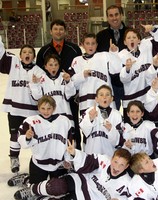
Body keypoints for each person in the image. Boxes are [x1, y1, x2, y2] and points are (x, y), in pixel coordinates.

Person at [18, 145, 132, 200]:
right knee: (56, 186)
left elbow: (132, 196)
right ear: (111, 159)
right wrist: (75, 153)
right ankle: (31, 189)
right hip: (82, 181)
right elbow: (87, 160)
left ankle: (35, 199)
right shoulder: (104, 160)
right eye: (115, 162)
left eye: (122, 165)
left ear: (127, 166)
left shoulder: (127, 181)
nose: (117, 167)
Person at [14, 95, 74, 200]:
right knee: (37, 192)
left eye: (49, 108)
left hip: (58, 164)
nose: (46, 111)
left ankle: (28, 179)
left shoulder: (64, 121)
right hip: (39, 164)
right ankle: (26, 180)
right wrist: (27, 137)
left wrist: (68, 159)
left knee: (59, 191)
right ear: (38, 108)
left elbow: (69, 143)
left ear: (54, 108)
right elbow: (22, 142)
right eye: (43, 108)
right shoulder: (30, 122)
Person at [0, 36, 45, 173]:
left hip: (32, 112)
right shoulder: (14, 63)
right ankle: (14, 158)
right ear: (20, 55)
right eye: (24, 52)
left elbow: (39, 97)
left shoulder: (39, 72)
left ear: (34, 56)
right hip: (14, 110)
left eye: (30, 52)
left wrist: (35, 84)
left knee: (34, 137)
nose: (27, 54)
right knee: (14, 136)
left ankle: (38, 161)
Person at [36, 19, 82, 149]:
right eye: (55, 29)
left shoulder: (74, 49)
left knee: (73, 124)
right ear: (50, 31)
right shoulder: (44, 51)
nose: (58, 31)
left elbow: (79, 70)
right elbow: (40, 74)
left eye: (61, 29)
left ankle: (75, 152)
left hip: (71, 95)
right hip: (51, 98)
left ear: (65, 31)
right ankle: (54, 153)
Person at [119, 24, 158, 122]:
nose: (132, 40)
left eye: (134, 37)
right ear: (124, 42)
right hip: (130, 101)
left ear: (139, 40)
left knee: (148, 129)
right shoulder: (121, 56)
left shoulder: (146, 46)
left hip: (147, 99)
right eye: (129, 38)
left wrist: (153, 29)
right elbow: (122, 79)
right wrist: (127, 69)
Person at [70, 33, 122, 115]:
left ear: (97, 44)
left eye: (93, 43)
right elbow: (72, 84)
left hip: (106, 101)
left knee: (109, 126)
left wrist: (114, 53)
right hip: (86, 103)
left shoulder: (104, 56)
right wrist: (82, 75)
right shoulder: (77, 61)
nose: (90, 46)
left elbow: (117, 69)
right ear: (82, 45)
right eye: (87, 43)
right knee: (89, 125)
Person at [96, 5, 128, 110]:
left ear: (122, 15)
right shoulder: (101, 36)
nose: (114, 18)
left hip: (130, 82)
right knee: (112, 116)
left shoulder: (131, 33)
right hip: (110, 84)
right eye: (111, 15)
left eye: (116, 14)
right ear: (107, 18)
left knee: (132, 115)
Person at [30, 53, 76, 125]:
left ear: (59, 66)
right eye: (50, 65)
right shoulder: (41, 79)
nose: (53, 67)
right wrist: (35, 84)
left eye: (56, 65)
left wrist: (68, 81)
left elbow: (71, 93)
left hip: (65, 116)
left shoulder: (64, 76)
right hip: (48, 117)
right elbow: (37, 97)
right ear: (45, 66)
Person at [79, 85, 123, 157]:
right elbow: (84, 131)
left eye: (107, 95)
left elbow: (118, 142)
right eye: (101, 95)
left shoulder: (117, 115)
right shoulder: (89, 111)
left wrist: (111, 129)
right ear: (96, 99)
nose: (104, 97)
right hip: (92, 156)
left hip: (109, 156)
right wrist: (91, 119)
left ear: (111, 99)